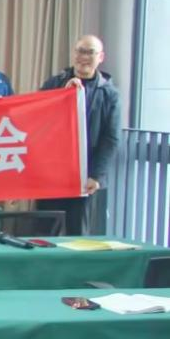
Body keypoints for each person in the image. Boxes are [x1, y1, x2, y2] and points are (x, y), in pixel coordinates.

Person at [38, 35, 120, 235]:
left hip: (85, 178)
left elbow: (111, 138)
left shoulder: (109, 93)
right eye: (80, 51)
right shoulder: (55, 83)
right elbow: (37, 118)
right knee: (44, 233)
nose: (84, 57)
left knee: (78, 234)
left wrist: (96, 175)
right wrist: (61, 94)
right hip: (51, 175)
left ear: (100, 57)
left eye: (90, 52)